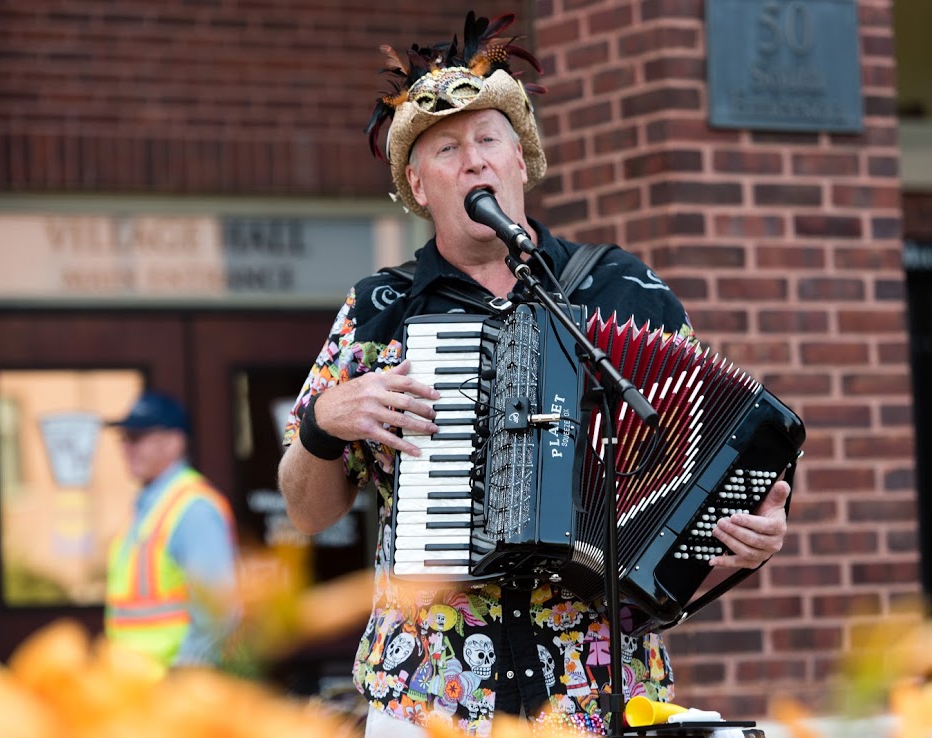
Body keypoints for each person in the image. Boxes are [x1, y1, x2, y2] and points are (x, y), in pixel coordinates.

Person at [279, 11, 792, 736]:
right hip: (430, 692)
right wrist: (323, 425)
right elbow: (307, 512)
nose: (475, 160)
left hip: (597, 689)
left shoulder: (621, 290)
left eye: (490, 140)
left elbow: (698, 472)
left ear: (522, 162)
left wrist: (751, 531)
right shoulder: (380, 312)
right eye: (447, 149)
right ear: (419, 187)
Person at [105, 390, 239, 670]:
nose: (127, 449)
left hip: (171, 693)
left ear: (174, 442)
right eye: (124, 439)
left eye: (137, 438)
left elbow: (219, 613)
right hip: (136, 694)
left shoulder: (193, 509)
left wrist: (183, 682)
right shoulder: (147, 507)